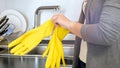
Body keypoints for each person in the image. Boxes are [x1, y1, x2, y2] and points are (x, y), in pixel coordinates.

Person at [51, 0, 120, 68]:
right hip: (83, 59)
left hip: (102, 63)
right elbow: (88, 24)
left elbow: (106, 33)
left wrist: (69, 24)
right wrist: (66, 28)